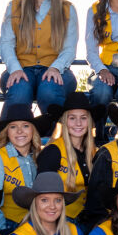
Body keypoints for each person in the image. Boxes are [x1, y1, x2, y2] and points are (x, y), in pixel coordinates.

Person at [0, 0, 77, 111]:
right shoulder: (14, 6)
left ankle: (55, 128)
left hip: (56, 68)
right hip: (21, 67)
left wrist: (55, 68)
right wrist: (15, 69)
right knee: (19, 91)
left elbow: (69, 48)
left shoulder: (67, 9)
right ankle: (10, 128)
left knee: (49, 91)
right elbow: (6, 44)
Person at [39, 92, 97, 226]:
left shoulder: (93, 152)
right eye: (72, 118)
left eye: (83, 118)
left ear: (89, 122)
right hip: (59, 220)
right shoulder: (53, 151)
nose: (78, 123)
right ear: (65, 121)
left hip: (88, 219)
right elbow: (42, 196)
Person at [0, 102, 46, 226]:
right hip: (9, 224)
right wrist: (2, 230)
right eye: (13, 127)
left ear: (33, 130)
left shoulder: (39, 157)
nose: (19, 131)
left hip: (37, 224)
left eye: (25, 126)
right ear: (7, 132)